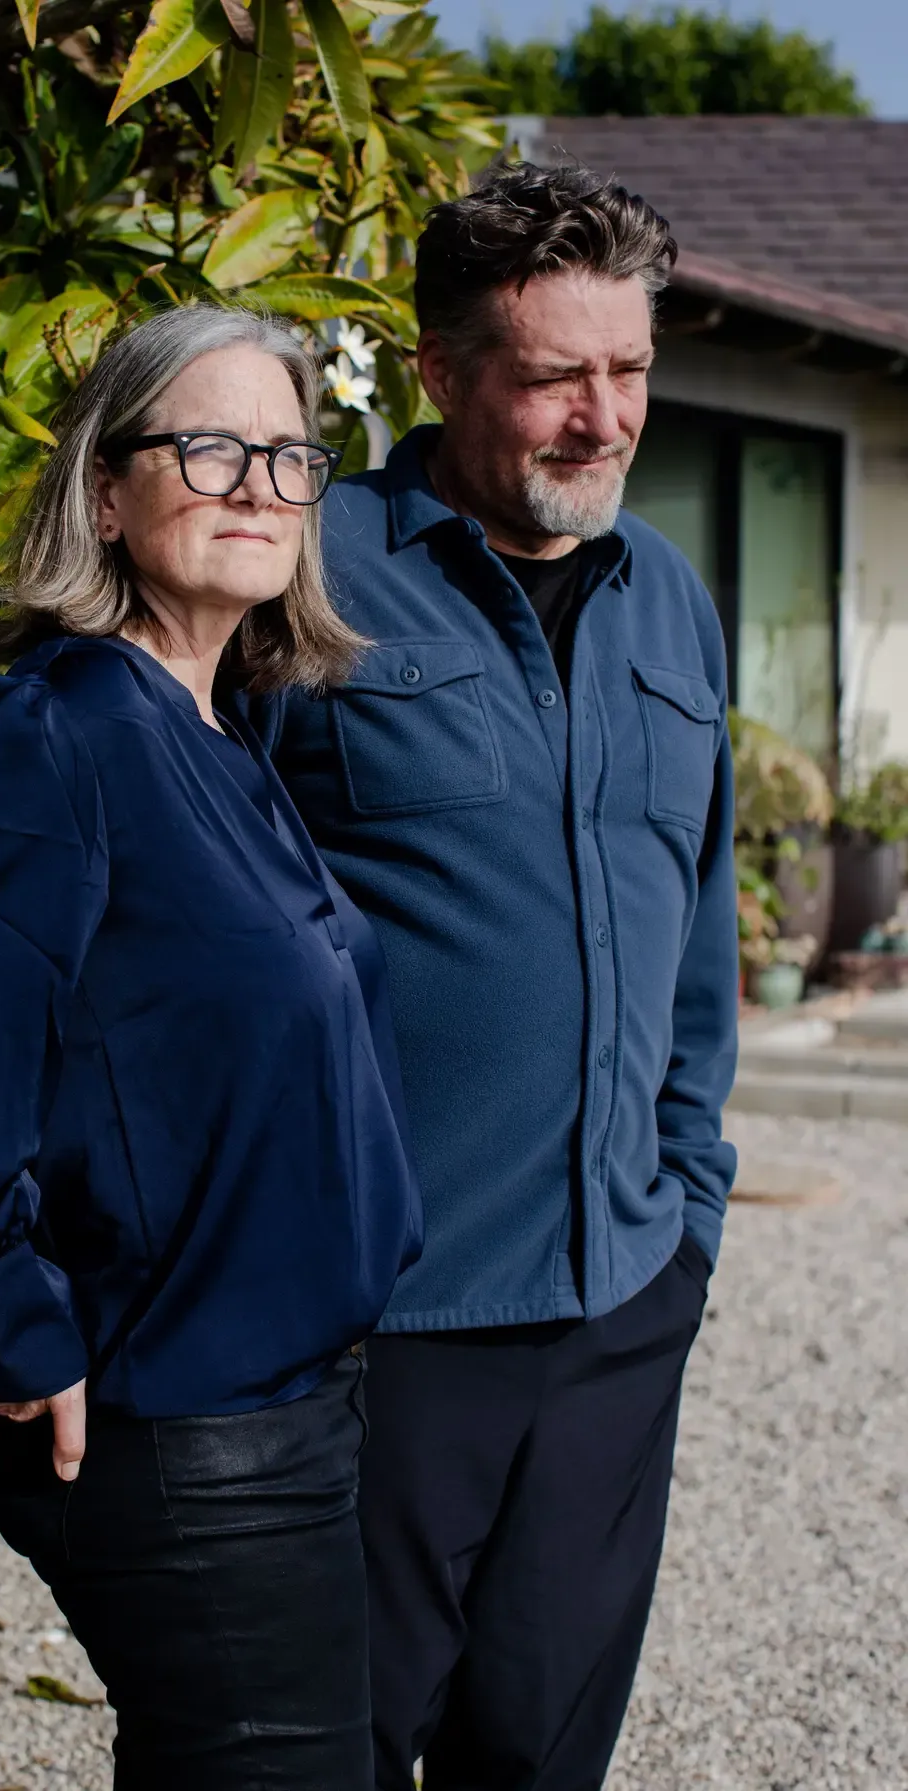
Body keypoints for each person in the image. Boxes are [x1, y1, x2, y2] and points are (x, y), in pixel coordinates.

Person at [0, 304, 422, 1791]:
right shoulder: (54, 730)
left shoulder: (221, 734)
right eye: (209, 447)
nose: (260, 484)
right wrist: (12, 1289)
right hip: (178, 1434)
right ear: (109, 493)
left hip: (297, 1405)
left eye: (287, 452)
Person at [258, 161, 739, 1790]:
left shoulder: (672, 600)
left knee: (540, 1755)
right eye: (553, 377)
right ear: (443, 373)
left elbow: (701, 935)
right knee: (322, 1748)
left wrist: (689, 1211)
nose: (602, 418)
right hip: (378, 1329)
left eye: (631, 371)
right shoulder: (304, 579)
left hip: (620, 1311)